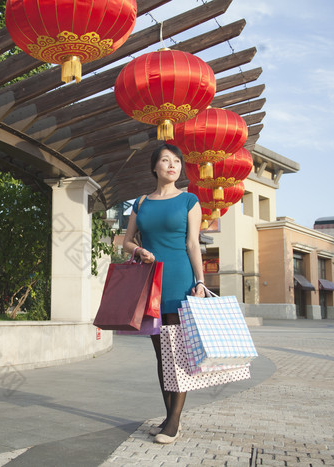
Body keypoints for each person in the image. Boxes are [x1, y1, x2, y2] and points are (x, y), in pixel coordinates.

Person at [123, 143, 206, 445]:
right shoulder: (141, 203)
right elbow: (127, 241)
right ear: (154, 167)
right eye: (165, 161)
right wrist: (140, 250)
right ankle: (169, 415)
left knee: (179, 355)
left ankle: (173, 421)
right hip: (151, 283)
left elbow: (193, 244)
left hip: (180, 281)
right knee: (162, 356)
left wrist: (200, 281)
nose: (173, 166)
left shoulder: (189, 200)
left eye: (176, 162)